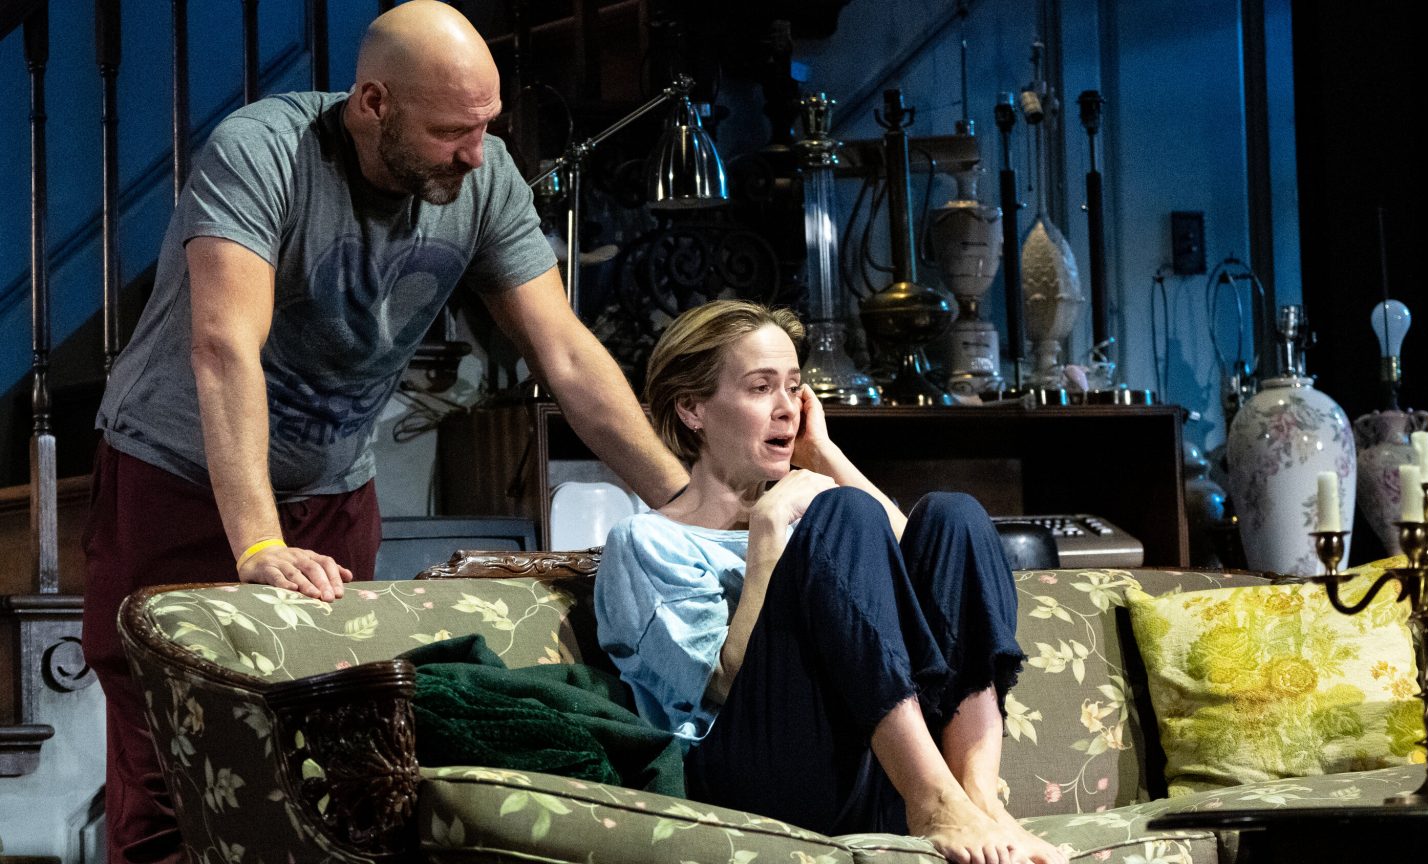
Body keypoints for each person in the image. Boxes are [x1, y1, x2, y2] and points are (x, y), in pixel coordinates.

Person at [80, 3, 688, 861]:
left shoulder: (485, 176)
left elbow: (567, 354)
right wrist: (258, 543)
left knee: (326, 770)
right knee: (173, 775)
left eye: (487, 126)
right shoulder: (265, 152)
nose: (476, 153)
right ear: (372, 104)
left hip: (332, 489)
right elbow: (224, 347)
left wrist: (683, 502)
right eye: (451, 132)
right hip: (178, 481)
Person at [594, 300, 1066, 864]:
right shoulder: (646, 541)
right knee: (846, 514)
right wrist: (768, 533)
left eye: (794, 388)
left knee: (954, 516)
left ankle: (977, 798)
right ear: (692, 408)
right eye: (760, 388)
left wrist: (824, 454)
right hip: (750, 783)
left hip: (865, 768)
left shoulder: (821, 521)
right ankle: (933, 800)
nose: (785, 408)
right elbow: (722, 684)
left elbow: (929, 575)